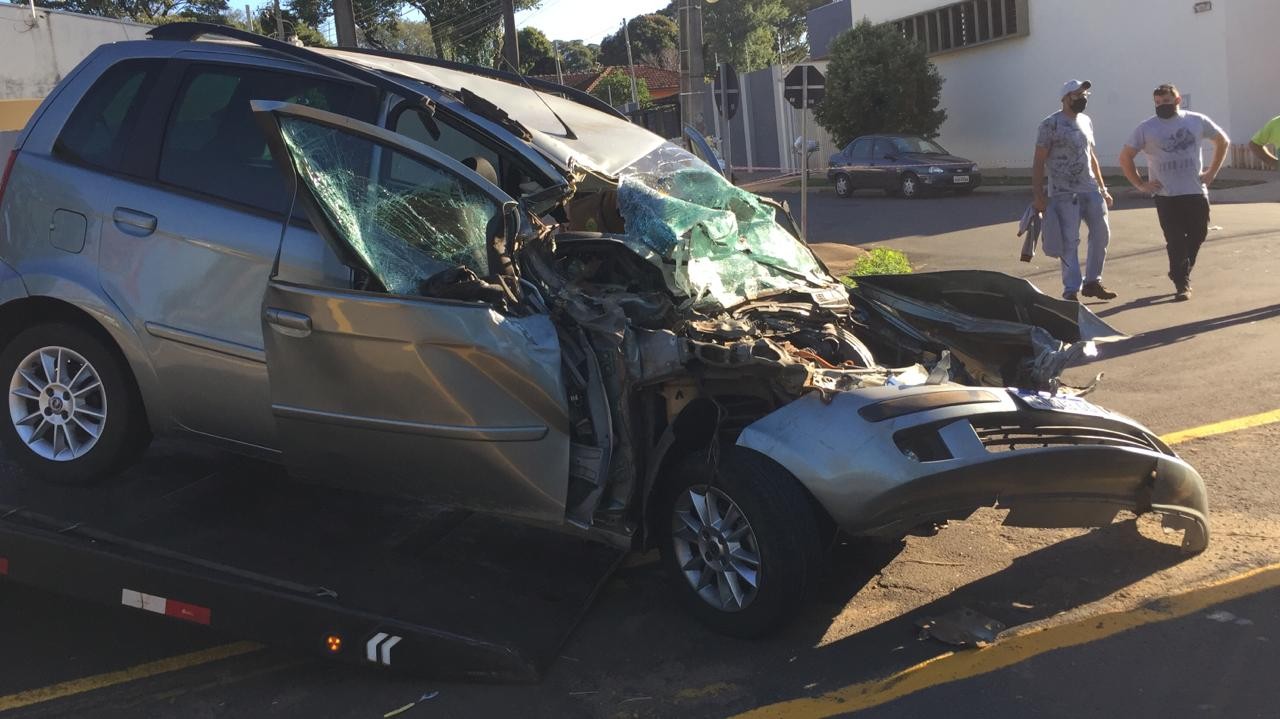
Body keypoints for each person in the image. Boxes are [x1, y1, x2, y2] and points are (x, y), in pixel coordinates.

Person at [1119, 84, 1230, 301]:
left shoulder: (1196, 120)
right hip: (1166, 196)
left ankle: (1180, 270)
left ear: (1178, 101)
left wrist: (1211, 172)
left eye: (1166, 101)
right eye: (1158, 102)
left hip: (1195, 190)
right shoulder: (1146, 128)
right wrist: (1140, 184)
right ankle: (1182, 283)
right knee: (1175, 240)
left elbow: (1222, 141)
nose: (1162, 105)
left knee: (1199, 234)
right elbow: (1125, 157)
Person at [1032, 79, 1116, 302]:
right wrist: (1038, 195)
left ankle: (1093, 282)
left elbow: (1091, 156)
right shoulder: (1050, 124)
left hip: (1090, 189)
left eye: (1085, 95)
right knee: (1069, 241)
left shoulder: (1086, 121)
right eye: (1077, 95)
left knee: (1102, 234)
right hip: (1064, 193)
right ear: (1065, 98)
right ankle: (1071, 290)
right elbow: (1039, 160)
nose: (1082, 99)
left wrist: (1103, 188)